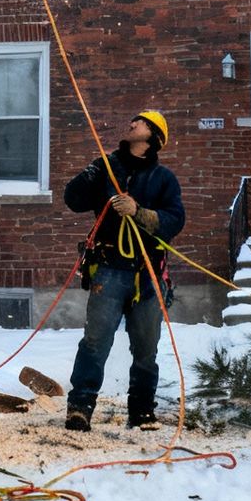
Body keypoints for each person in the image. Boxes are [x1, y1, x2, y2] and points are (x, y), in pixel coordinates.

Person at [62, 110, 185, 431]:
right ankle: (80, 406)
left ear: (154, 137)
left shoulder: (163, 179)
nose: (132, 122)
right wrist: (91, 172)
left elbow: (175, 220)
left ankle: (142, 411)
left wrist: (139, 212)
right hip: (108, 269)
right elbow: (73, 200)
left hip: (148, 274)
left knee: (146, 347)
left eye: (141, 121)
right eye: (133, 119)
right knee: (95, 341)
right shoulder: (107, 167)